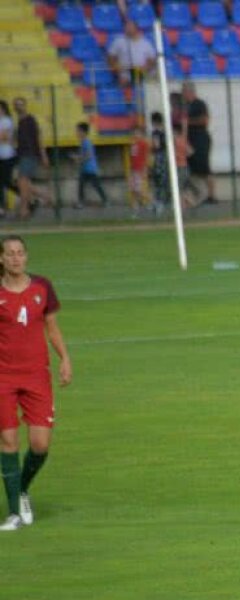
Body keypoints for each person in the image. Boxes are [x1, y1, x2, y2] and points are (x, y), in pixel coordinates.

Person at [0, 235, 72, 531]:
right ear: (1, 259)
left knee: (40, 444)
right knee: (9, 441)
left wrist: (64, 359)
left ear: (26, 257)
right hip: (3, 376)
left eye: (21, 253)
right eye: (10, 253)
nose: (16, 258)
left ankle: (21, 490)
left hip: (36, 376)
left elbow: (52, 328)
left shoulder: (42, 287)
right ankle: (14, 513)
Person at [12, 97, 53, 221]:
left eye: (20, 104)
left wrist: (43, 154)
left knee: (22, 182)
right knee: (21, 183)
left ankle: (24, 211)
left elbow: (38, 137)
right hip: (22, 154)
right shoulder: (18, 122)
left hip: (30, 154)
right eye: (16, 105)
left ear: (25, 106)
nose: (18, 107)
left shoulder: (30, 120)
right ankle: (44, 196)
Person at [182, 81, 217, 204]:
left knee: (204, 167)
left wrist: (188, 122)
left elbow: (205, 120)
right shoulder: (185, 105)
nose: (183, 94)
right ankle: (194, 195)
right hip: (189, 140)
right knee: (191, 168)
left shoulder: (199, 104)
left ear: (190, 92)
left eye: (184, 91)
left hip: (200, 139)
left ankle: (212, 195)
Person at [107, 18, 156, 86]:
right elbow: (110, 57)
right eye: (126, 27)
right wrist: (116, 67)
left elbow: (152, 60)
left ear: (136, 28)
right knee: (123, 82)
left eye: (130, 27)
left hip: (141, 72)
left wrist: (145, 68)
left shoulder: (145, 43)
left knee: (145, 82)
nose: (128, 29)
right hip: (124, 73)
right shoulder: (118, 41)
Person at [72, 122, 107, 209]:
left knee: (95, 185)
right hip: (85, 169)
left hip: (90, 169)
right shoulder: (83, 142)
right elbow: (84, 155)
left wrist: (79, 159)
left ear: (83, 132)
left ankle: (105, 200)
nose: (76, 133)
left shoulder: (86, 142)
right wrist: (77, 157)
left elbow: (89, 155)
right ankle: (81, 202)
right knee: (82, 185)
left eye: (78, 131)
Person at [149, 111, 170, 215]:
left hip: (159, 158)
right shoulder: (166, 132)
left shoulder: (156, 133)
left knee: (158, 180)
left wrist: (151, 148)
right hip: (165, 157)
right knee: (162, 180)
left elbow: (156, 146)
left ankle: (158, 203)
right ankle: (159, 202)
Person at [128, 121, 150, 216]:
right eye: (134, 133)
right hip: (133, 169)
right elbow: (132, 157)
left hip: (139, 169)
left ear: (141, 133)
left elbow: (145, 156)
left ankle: (152, 202)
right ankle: (136, 210)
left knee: (138, 189)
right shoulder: (133, 144)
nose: (135, 134)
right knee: (133, 190)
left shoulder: (143, 143)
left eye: (137, 133)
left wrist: (145, 169)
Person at [0, 100, 15, 218]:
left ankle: (28, 199)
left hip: (6, 155)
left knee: (6, 181)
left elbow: (3, 137)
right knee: (3, 182)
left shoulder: (6, 121)